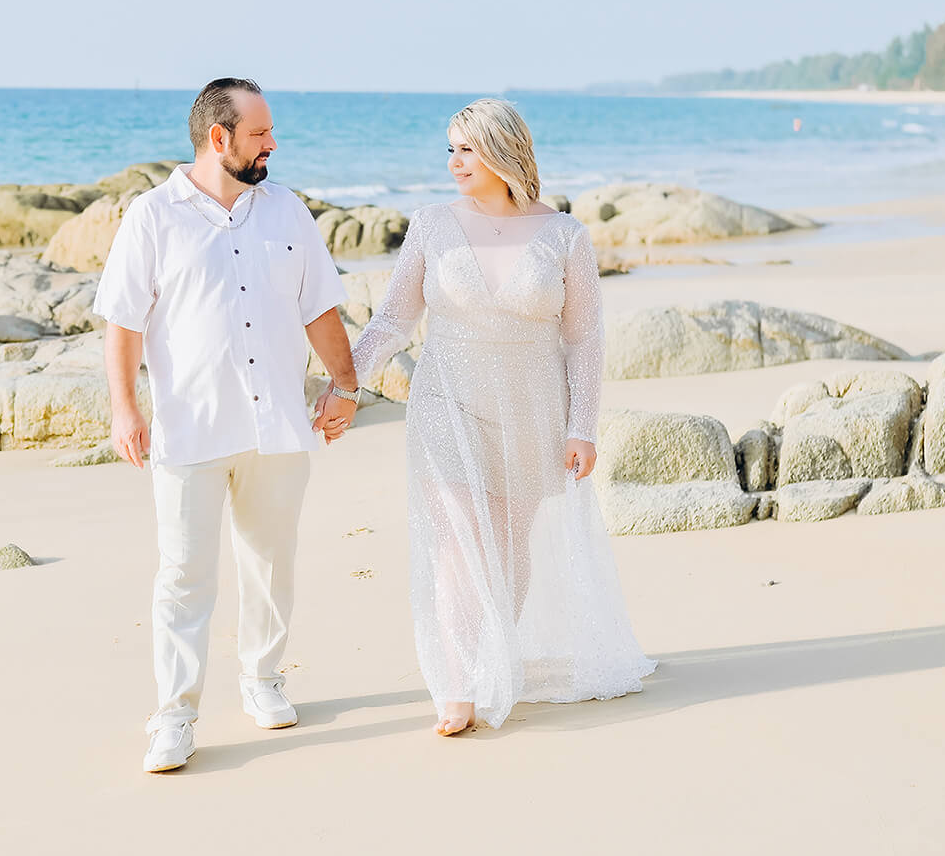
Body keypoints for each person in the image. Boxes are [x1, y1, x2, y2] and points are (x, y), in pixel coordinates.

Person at [346, 97, 655, 736]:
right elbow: (397, 317)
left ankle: (493, 654)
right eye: (450, 149)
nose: (455, 162)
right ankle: (456, 682)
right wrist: (347, 381)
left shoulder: (566, 235)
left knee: (509, 544)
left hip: (530, 406)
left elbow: (585, 339)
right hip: (445, 400)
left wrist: (582, 426)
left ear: (503, 152)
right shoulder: (431, 224)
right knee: (459, 539)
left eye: (467, 148)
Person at [95, 77, 361, 773]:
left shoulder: (288, 214)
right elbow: (122, 323)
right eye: (260, 134)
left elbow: (320, 310)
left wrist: (348, 387)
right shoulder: (152, 218)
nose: (274, 144)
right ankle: (175, 717)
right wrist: (126, 409)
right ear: (220, 138)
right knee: (184, 575)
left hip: (277, 427)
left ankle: (263, 678)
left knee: (272, 566)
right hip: (189, 432)